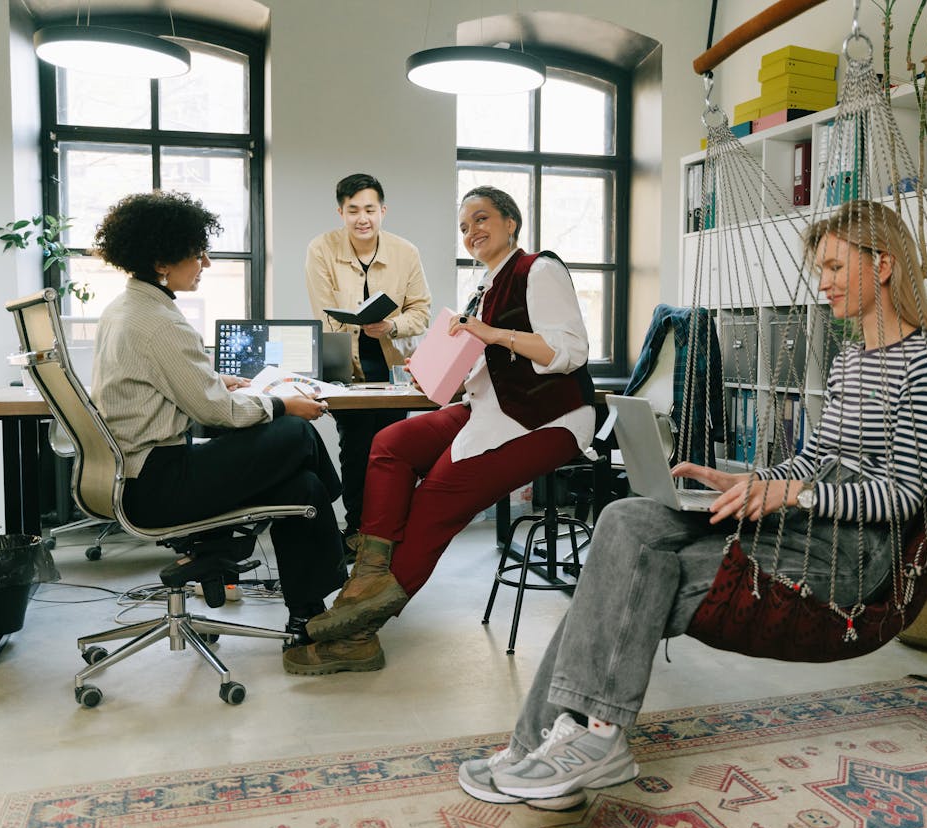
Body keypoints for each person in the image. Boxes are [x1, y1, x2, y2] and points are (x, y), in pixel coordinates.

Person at [454, 199, 927, 808]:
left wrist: (792, 493)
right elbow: (813, 457)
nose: (821, 282)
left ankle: (575, 737)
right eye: (819, 268)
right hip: (802, 519)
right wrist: (740, 479)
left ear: (883, 266)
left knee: (641, 573)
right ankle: (563, 742)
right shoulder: (852, 357)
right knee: (623, 520)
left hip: (848, 552)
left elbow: (905, 496)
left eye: (833, 266)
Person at [287, 185, 596, 673]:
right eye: (464, 226)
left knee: (435, 499)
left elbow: (570, 352)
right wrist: (431, 369)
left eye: (481, 219)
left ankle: (357, 630)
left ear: (510, 222)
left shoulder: (539, 269)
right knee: (391, 443)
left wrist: (492, 334)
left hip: (548, 419)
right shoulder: (486, 285)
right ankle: (369, 574)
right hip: (492, 408)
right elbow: (484, 369)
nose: (472, 232)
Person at [89, 190, 371, 676]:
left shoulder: (127, 309)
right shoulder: (158, 322)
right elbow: (216, 413)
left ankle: (306, 612)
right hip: (156, 483)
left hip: (133, 477)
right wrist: (282, 402)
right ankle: (345, 539)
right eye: (196, 251)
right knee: (296, 435)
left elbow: (172, 386)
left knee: (301, 490)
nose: (206, 261)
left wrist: (215, 381)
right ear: (161, 258)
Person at [304, 174, 432, 554]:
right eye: (354, 210)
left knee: (393, 449)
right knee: (356, 447)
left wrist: (391, 325)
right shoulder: (321, 249)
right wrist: (352, 324)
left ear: (383, 211)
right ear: (340, 212)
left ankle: (389, 531)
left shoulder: (405, 252)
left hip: (393, 366)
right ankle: (357, 530)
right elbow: (324, 312)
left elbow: (421, 312)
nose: (363, 218)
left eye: (371, 210)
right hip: (347, 366)